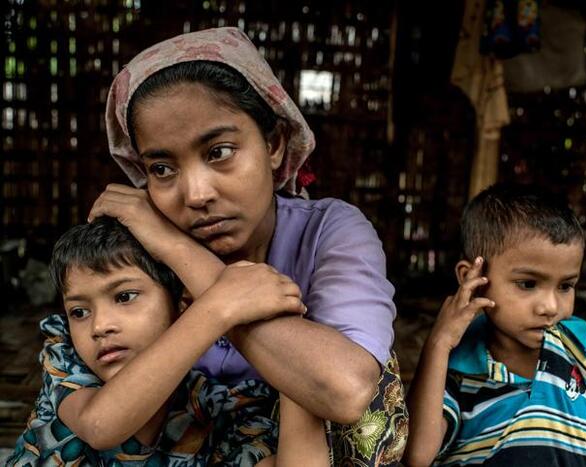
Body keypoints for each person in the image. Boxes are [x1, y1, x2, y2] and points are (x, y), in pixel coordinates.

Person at [75, 26, 405, 464]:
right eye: (161, 168)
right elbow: (97, 414)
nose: (195, 195)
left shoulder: (329, 231)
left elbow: (344, 392)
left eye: (218, 152)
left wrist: (181, 252)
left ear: (273, 144)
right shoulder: (133, 252)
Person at [8, 217, 329, 466]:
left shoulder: (211, 406)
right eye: (79, 311)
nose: (99, 326)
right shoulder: (67, 357)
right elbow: (100, 425)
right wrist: (219, 307)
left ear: (181, 306)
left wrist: (292, 348)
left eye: (125, 296)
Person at [404, 183, 586, 466]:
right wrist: (438, 344)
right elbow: (417, 456)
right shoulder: (457, 373)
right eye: (528, 284)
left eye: (566, 286)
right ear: (474, 277)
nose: (551, 307)